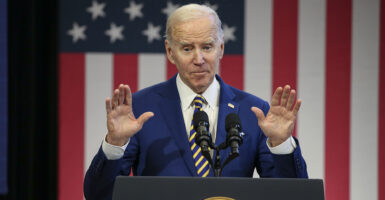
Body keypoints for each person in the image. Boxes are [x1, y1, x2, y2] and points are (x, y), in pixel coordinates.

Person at [84, 3, 308, 199]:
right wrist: (114, 144)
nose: (198, 59)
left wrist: (282, 146)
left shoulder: (254, 112)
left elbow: (292, 196)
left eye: (207, 47)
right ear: (170, 52)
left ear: (220, 49)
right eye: (187, 48)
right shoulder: (140, 108)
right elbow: (99, 196)